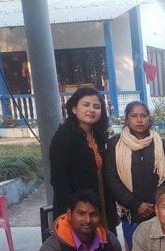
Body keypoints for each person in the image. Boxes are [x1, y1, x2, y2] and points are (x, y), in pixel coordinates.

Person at [104, 101, 165, 251]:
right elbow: (111, 177)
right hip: (131, 213)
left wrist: (156, 202)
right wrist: (136, 204)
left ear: (148, 118)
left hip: (160, 211)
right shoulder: (115, 144)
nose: (139, 120)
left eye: (143, 116)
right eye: (134, 116)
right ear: (127, 119)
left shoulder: (163, 145)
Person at [50, 87, 118, 231]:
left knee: (105, 241)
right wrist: (71, 212)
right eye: (86, 105)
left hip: (101, 203)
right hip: (77, 209)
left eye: (96, 107)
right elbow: (59, 179)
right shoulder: (64, 137)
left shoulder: (98, 136)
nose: (91, 110)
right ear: (74, 108)